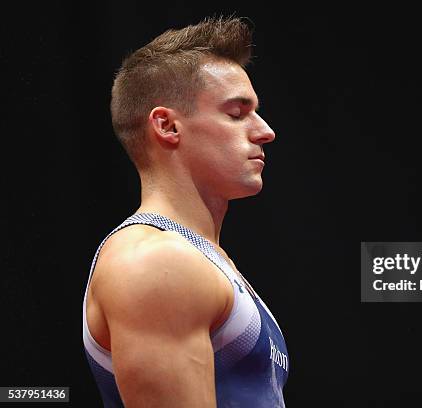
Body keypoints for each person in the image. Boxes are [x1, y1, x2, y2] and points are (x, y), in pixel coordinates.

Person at [81, 16, 289, 407]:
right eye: (236, 113)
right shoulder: (155, 261)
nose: (264, 131)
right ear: (167, 126)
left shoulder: (202, 257)